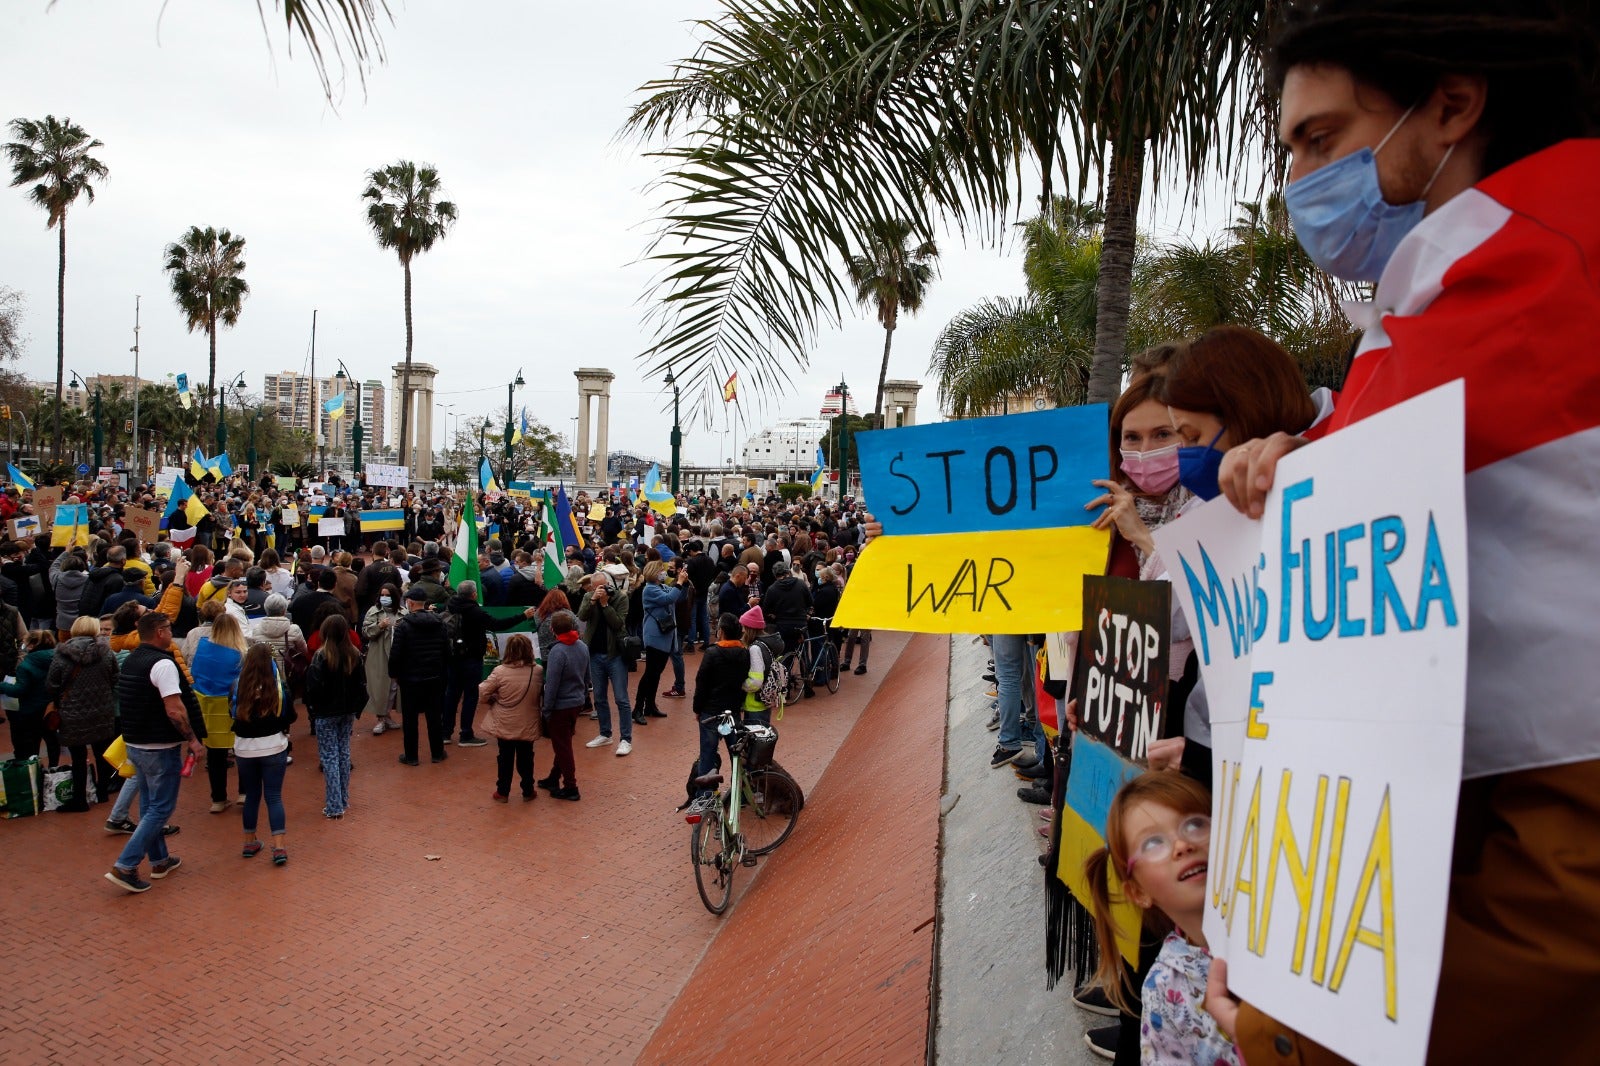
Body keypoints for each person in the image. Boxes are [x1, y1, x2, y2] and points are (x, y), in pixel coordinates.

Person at [1204, 6, 1600, 1062]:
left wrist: (1299, 1027)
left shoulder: (1542, 276)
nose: (1296, 181)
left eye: (1320, 140)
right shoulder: (1431, 307)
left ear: (1452, 106)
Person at [1085, 773, 1238, 1066]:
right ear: (1138, 892)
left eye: (1194, 824)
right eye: (1154, 842)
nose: (1182, 845)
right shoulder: (1164, 989)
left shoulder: (1282, 926)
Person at [105, 611, 205, 894]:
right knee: (161, 807)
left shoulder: (133, 659)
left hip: (135, 743)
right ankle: (126, 864)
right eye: (168, 628)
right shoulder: (163, 664)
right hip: (158, 746)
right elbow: (175, 709)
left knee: (150, 805)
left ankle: (160, 859)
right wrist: (193, 740)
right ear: (160, 632)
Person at [443, 580, 535, 746]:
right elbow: (497, 625)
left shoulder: (450, 605)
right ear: (474, 594)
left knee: (452, 694)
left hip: (453, 656)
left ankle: (445, 732)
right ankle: (466, 734)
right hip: (471, 657)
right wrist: (523, 616)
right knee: (471, 696)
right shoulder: (475, 611)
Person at [44, 616, 118, 811]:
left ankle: (79, 799)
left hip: (72, 713)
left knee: (78, 757)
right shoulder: (106, 652)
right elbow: (115, 677)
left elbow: (51, 685)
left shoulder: (61, 655)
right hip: (102, 710)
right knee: (102, 753)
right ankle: (102, 792)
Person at [231, 643, 294, 865]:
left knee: (252, 795)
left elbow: (232, 712)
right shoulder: (277, 687)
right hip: (273, 745)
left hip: (244, 748)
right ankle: (279, 847)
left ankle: (250, 840)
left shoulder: (238, 685)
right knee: (274, 797)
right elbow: (290, 715)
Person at [305, 614, 366, 819]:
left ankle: (334, 805)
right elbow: (361, 686)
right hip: (346, 711)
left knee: (330, 757)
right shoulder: (354, 655)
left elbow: (313, 687)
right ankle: (343, 799)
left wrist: (315, 709)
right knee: (343, 753)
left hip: (326, 713)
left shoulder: (321, 656)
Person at [189, 612, 250, 814]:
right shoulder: (240, 654)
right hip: (233, 706)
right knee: (241, 750)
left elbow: (195, 673)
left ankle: (218, 799)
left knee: (215, 755)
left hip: (208, 706)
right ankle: (244, 792)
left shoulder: (203, 647)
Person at [477, 633, 543, 802]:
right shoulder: (537, 671)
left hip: (504, 721)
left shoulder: (500, 671)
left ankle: (502, 791)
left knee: (504, 757)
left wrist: (490, 700)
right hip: (528, 720)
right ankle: (528, 790)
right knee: (526, 757)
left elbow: (483, 691)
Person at [389, 585, 450, 765]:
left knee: (410, 718)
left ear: (410, 603)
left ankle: (411, 756)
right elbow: (447, 651)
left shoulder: (404, 626)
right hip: (435, 676)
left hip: (410, 679)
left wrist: (394, 673)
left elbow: (396, 653)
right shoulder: (439, 623)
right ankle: (437, 753)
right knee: (434, 716)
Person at [577, 574, 633, 754]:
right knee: (599, 698)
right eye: (596, 588)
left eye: (603, 586)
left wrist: (605, 604)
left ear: (609, 584)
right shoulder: (588, 597)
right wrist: (592, 600)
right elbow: (582, 616)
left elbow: (618, 623)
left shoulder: (621, 597)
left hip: (615, 654)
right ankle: (605, 734)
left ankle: (626, 739)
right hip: (595, 655)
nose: (600, 590)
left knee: (621, 699)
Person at [692, 612, 751, 780]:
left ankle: (706, 794)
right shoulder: (744, 653)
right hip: (732, 711)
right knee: (737, 753)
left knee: (707, 755)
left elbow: (701, 682)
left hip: (711, 711)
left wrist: (697, 708)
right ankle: (740, 790)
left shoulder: (712, 653)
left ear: (722, 631)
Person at [539, 610, 588, 801]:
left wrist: (547, 709)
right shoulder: (582, 646)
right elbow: (587, 676)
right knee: (564, 743)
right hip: (576, 702)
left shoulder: (557, 652)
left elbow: (551, 685)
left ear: (553, 630)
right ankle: (553, 777)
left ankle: (570, 786)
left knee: (563, 747)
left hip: (560, 705)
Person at [633, 561, 686, 724]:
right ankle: (637, 709)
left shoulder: (661, 587)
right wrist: (679, 582)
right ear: (654, 573)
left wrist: (683, 581)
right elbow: (669, 598)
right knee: (650, 673)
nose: (664, 573)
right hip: (655, 636)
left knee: (656, 673)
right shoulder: (649, 589)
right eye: (661, 571)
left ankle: (650, 706)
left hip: (665, 636)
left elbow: (679, 596)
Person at [2, 630, 58, 767]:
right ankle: (54, 769)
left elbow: (19, 690)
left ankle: (36, 772)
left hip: (31, 711)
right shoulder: (57, 659)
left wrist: (3, 686)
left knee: (33, 745)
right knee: (52, 741)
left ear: (32, 645)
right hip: (51, 709)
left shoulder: (26, 665)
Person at [362, 582, 402, 734]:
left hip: (396, 654)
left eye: (388, 595)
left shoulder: (402, 612)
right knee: (379, 687)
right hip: (379, 654)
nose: (384, 598)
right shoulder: (373, 611)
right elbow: (366, 632)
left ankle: (387, 716)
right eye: (382, 595)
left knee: (393, 688)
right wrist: (379, 626)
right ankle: (380, 718)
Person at [738, 605, 784, 727]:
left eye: (744, 627)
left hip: (754, 704)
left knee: (754, 741)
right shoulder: (766, 644)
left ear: (750, 629)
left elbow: (756, 681)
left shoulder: (754, 649)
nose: (742, 630)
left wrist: (741, 685)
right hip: (763, 702)